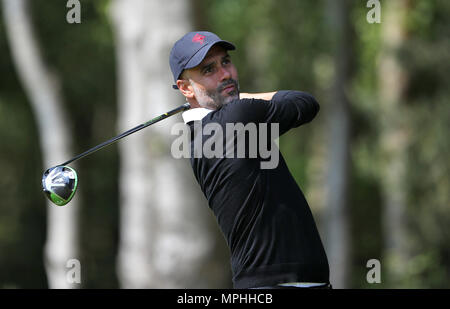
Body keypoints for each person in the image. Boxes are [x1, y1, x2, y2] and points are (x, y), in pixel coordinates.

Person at [169, 31, 330, 289]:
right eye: (209, 70)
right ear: (185, 88)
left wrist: (222, 95)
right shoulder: (237, 116)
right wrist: (235, 96)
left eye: (226, 62)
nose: (225, 74)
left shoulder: (197, 137)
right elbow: (305, 103)